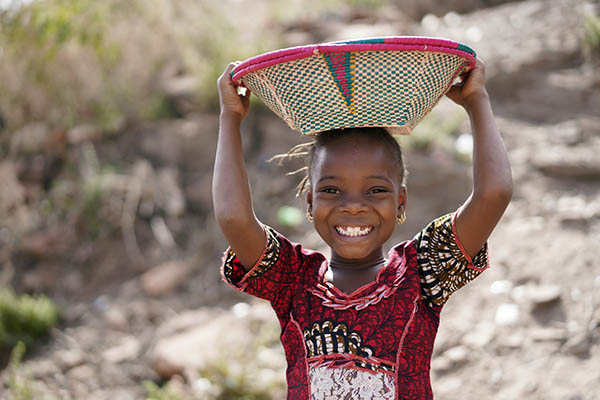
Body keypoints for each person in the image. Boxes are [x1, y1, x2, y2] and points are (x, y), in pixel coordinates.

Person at [213, 58, 512, 399]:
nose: (353, 206)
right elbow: (234, 219)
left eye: (376, 190)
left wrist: (477, 101)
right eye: (331, 190)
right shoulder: (292, 279)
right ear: (309, 203)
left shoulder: (423, 270)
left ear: (400, 202)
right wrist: (230, 116)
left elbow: (494, 194)